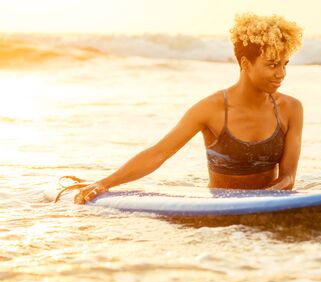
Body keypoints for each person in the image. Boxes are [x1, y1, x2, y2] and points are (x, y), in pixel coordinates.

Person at [74, 13, 304, 204]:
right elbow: (159, 153)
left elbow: (288, 178)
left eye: (285, 64)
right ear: (245, 64)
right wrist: (104, 183)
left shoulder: (291, 109)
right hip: (220, 212)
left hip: (269, 205)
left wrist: (262, 201)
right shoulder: (210, 109)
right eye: (272, 65)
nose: (281, 73)